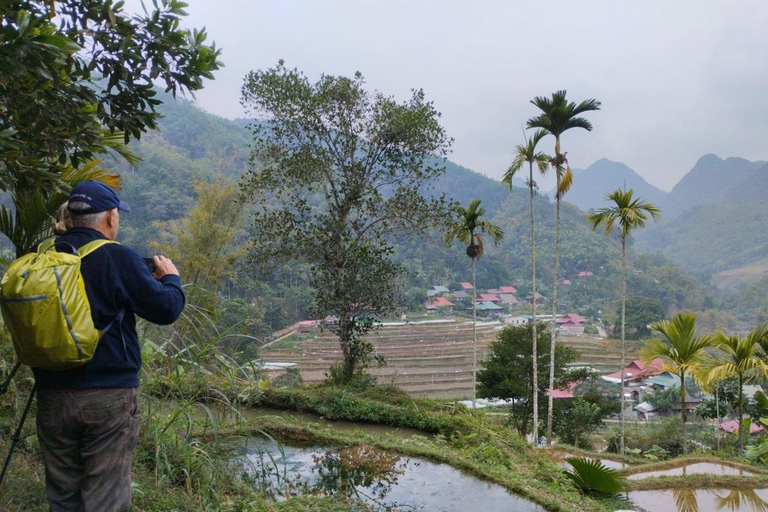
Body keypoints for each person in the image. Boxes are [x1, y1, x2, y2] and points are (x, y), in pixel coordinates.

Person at [32, 181, 185, 512]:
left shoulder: (45, 257)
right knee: (106, 496)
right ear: (111, 217)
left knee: (62, 494)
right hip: (108, 396)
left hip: (51, 393)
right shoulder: (116, 257)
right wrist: (171, 278)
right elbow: (166, 309)